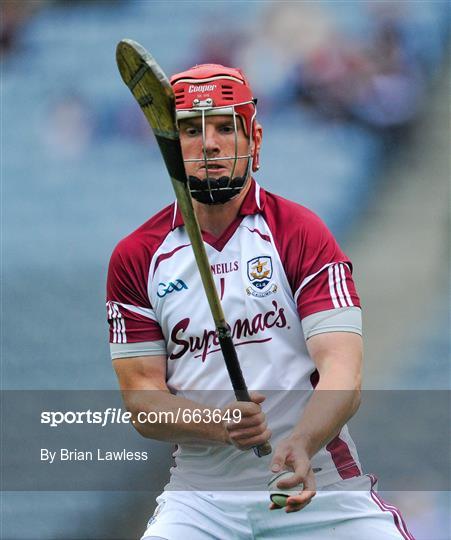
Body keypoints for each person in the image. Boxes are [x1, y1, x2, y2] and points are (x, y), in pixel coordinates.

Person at [107, 63, 414, 539]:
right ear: (172, 147)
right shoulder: (138, 256)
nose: (208, 143)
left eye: (225, 127)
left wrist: (303, 442)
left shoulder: (299, 233)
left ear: (255, 141)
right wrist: (218, 426)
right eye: (191, 130)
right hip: (200, 502)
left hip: (321, 488)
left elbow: (343, 373)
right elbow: (142, 399)